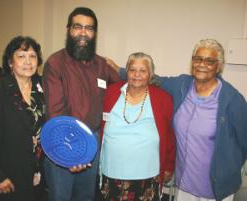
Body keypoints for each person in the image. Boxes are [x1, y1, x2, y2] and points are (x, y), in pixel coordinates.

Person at [110, 39, 247, 201]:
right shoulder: (182, 85)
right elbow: (153, 78)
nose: (202, 64)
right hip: (184, 185)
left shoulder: (232, 100)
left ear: (219, 66)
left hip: (216, 189)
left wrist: (228, 169)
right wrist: (120, 70)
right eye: (198, 59)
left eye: (209, 61)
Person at [42, 7, 121, 201]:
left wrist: (141, 73)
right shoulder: (55, 63)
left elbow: (123, 85)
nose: (83, 32)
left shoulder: (102, 64)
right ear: (69, 30)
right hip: (63, 141)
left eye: (89, 28)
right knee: (61, 197)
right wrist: (70, 153)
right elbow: (55, 113)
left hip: (92, 143)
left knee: (85, 197)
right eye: (78, 27)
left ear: (95, 33)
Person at [99, 52, 176, 201]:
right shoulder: (111, 92)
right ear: (126, 71)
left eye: (143, 70)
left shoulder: (163, 98)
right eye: (132, 69)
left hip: (147, 176)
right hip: (112, 172)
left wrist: (169, 166)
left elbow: (169, 135)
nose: (137, 75)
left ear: (151, 74)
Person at [0, 36, 45, 201]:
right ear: (10, 62)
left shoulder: (43, 88)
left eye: (32, 56)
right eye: (21, 56)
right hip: (5, 176)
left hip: (34, 174)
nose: (28, 61)